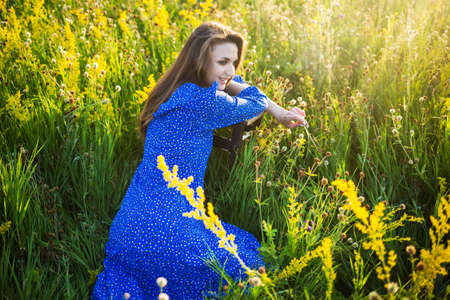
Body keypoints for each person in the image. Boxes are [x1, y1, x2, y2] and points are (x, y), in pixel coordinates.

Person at [91, 22, 307, 299]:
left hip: (128, 231)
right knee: (251, 264)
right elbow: (256, 100)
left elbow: (229, 89)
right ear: (200, 59)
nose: (230, 71)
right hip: (169, 234)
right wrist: (278, 111)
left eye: (234, 62)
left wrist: (225, 83)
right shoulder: (206, 102)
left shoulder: (173, 89)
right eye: (222, 62)